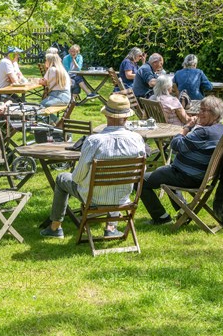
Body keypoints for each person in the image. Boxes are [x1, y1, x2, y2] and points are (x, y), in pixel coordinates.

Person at [40, 94, 146, 238]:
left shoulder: (94, 141)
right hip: (123, 198)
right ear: (126, 118)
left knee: (61, 178)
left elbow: (77, 177)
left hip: (94, 198)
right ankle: (111, 227)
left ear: (106, 116)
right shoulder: (137, 139)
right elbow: (141, 173)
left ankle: (55, 228)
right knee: (115, 183)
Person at [141, 95, 223, 225]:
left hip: (188, 177)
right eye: (200, 109)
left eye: (204, 110)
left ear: (215, 114)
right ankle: (183, 212)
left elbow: (175, 145)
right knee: (164, 171)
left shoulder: (203, 133)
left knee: (140, 180)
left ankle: (161, 218)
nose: (200, 113)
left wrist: (187, 126)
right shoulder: (219, 129)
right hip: (201, 176)